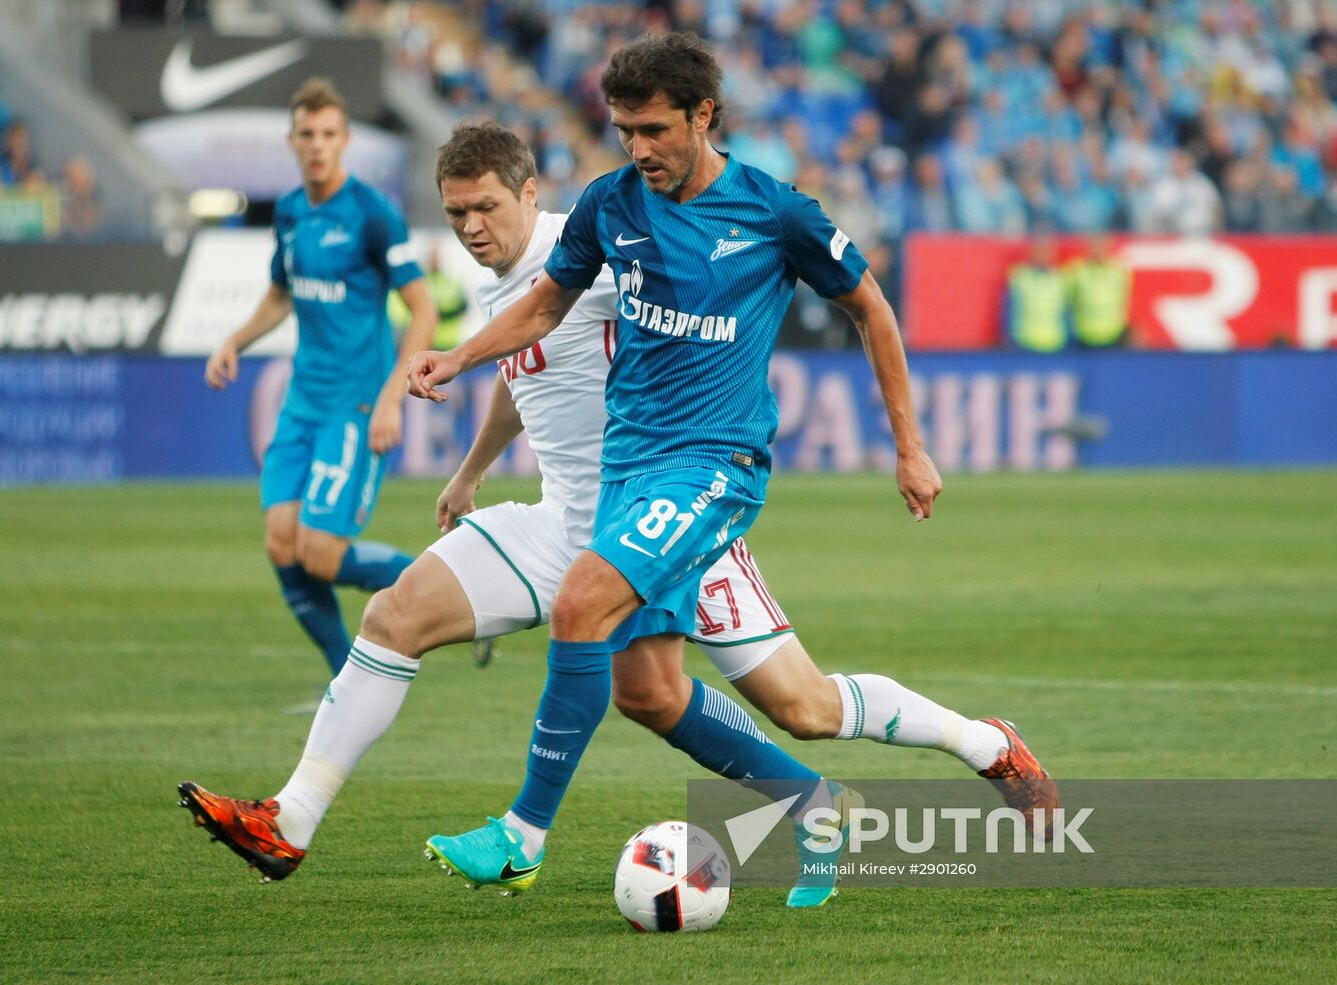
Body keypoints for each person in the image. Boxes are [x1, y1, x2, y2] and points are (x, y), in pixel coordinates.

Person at [177, 119, 1054, 906]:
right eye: (454, 215)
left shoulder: (598, 244)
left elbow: (640, 310)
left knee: (803, 706)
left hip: (668, 521)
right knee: (397, 614)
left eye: (484, 207)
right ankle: (288, 821)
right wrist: (472, 471)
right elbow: (529, 375)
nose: (471, 228)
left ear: (529, 193)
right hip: (565, 519)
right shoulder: (503, 283)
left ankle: (976, 742)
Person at [411, 35, 1055, 893]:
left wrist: (909, 445)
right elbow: (547, 303)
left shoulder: (775, 212)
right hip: (631, 477)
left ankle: (522, 835)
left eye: (652, 130)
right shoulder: (613, 204)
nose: (636, 149)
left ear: (702, 115)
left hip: (713, 467)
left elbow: (872, 309)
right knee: (722, 699)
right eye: (623, 131)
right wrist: (459, 355)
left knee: (579, 602)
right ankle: (957, 753)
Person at [203, 77, 438, 677]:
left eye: (328, 134)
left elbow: (424, 309)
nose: (317, 145)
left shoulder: (372, 215)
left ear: (345, 140)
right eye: (306, 135)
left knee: (322, 555)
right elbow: (281, 295)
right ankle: (343, 674)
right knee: (282, 543)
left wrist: (393, 397)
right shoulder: (288, 212)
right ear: (292, 140)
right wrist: (234, 339)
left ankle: (445, 588)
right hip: (302, 406)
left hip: (355, 407)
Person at [1005, 232, 1070, 352]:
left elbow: (1067, 312)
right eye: (1039, 250)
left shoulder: (1060, 278)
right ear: (1031, 252)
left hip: (1055, 343)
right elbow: (1010, 310)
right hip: (1026, 343)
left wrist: (1069, 341)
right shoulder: (1020, 276)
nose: (1042, 255)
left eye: (1046, 250)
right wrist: (1011, 340)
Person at [1066, 234, 1131, 348]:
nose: (1098, 251)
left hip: (1114, 335)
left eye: (1101, 247)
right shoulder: (1077, 270)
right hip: (1085, 335)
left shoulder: (1118, 270)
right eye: (1094, 247)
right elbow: (1069, 301)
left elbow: (1125, 299)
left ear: (1107, 248)